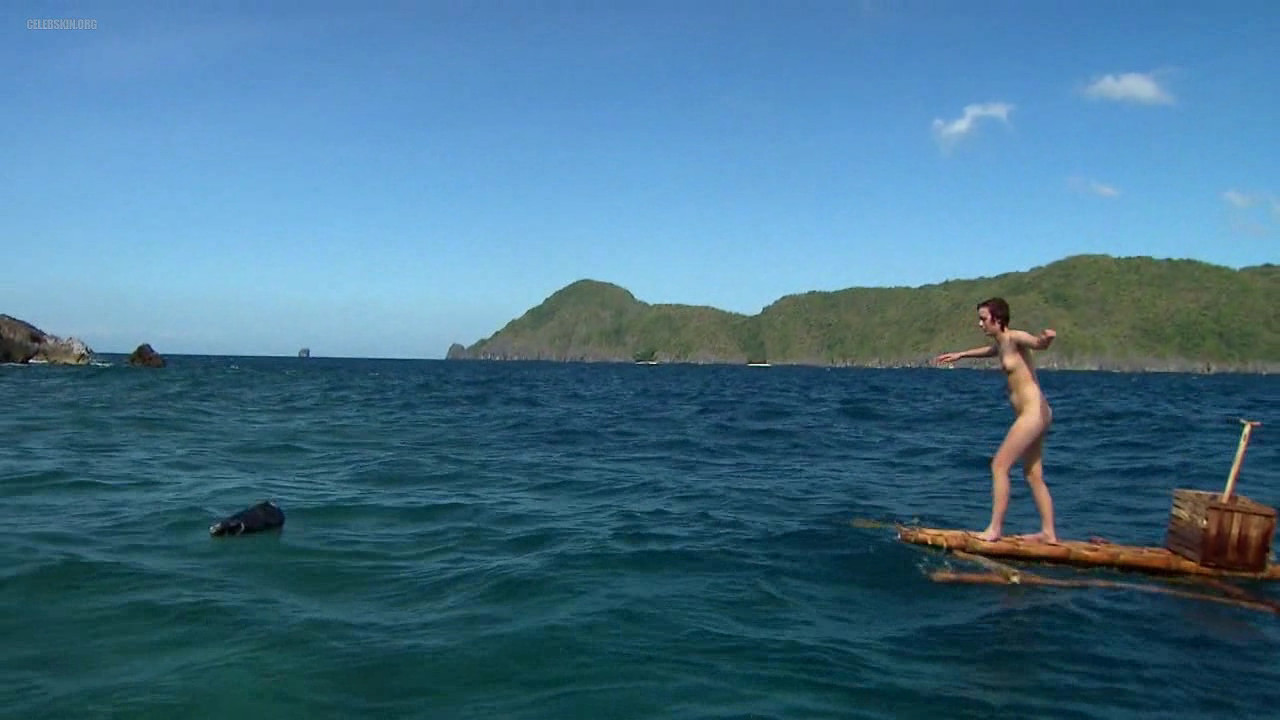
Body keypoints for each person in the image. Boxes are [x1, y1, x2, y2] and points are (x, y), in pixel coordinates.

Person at [935, 297, 1058, 543]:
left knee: (999, 466)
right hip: (1039, 413)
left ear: (997, 319)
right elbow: (989, 351)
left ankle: (994, 529)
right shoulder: (1002, 344)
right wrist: (961, 354)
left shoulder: (1014, 337)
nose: (980, 324)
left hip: (1033, 414)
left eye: (983, 319)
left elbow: (1036, 343)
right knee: (1033, 474)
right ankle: (1049, 533)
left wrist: (1046, 339)